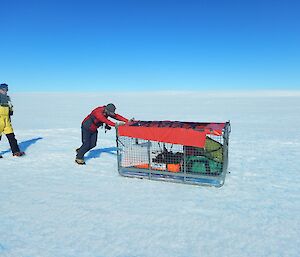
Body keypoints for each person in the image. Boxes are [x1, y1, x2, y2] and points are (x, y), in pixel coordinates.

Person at [0, 83, 25, 158]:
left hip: (7, 121)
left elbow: (11, 107)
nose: (5, 91)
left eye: (6, 90)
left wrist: (11, 110)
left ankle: (16, 152)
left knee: (12, 137)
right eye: (3, 89)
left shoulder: (7, 98)